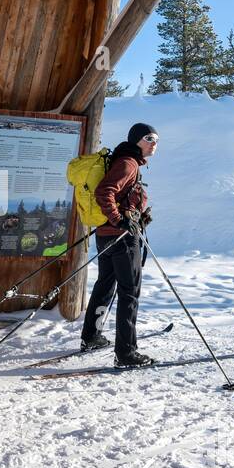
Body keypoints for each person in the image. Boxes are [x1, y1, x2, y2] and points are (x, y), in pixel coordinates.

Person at [81, 123, 157, 367]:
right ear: (136, 140)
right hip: (121, 237)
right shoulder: (128, 163)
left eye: (156, 139)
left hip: (107, 235)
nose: (154, 143)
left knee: (106, 284)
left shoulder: (125, 160)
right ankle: (126, 353)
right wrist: (120, 219)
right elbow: (105, 192)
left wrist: (135, 215)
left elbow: (119, 197)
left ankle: (91, 337)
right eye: (149, 138)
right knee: (129, 291)